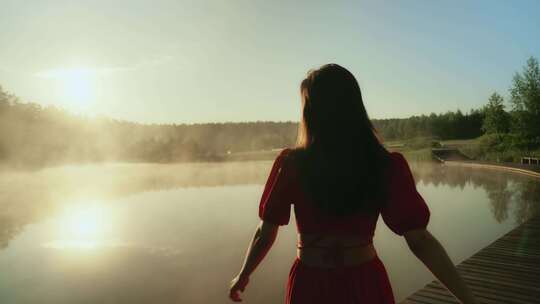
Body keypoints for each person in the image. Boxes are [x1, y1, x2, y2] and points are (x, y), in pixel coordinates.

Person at [229, 64, 478, 304]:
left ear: (312, 112)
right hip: (365, 283)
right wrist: (469, 300)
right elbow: (420, 240)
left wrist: (244, 274)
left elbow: (265, 233)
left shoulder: (292, 164)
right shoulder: (384, 165)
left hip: (311, 284)